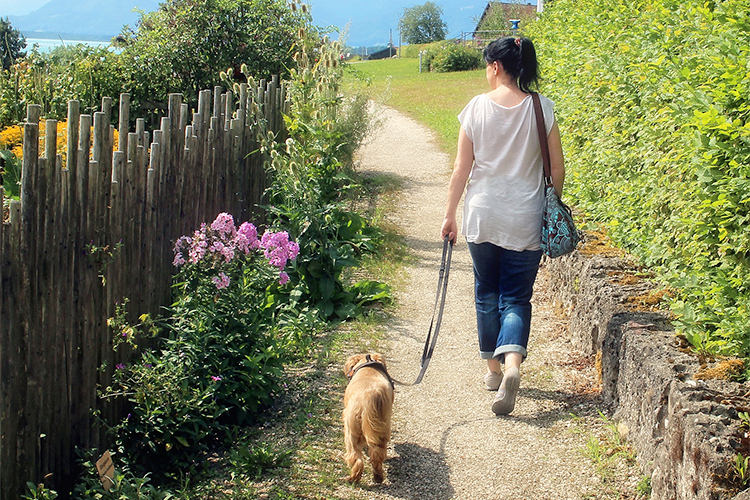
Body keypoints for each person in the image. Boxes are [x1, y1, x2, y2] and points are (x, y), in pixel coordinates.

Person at [441, 36, 565, 416]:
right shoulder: (542, 108)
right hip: (524, 218)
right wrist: (549, 209)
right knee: (516, 297)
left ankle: (493, 371)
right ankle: (513, 363)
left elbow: (462, 168)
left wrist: (449, 214)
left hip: (483, 215)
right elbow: (556, 168)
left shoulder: (476, 108)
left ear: (496, 66)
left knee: (487, 292)